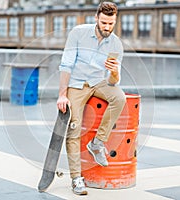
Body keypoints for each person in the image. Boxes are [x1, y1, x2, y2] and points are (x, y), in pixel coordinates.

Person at [56, 1, 126, 195]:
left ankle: (97, 143)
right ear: (96, 18)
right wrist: (62, 94)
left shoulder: (116, 44)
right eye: (103, 22)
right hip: (76, 84)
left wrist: (114, 73)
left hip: (98, 82)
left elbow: (113, 82)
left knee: (119, 98)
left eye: (111, 23)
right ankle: (76, 178)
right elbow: (66, 65)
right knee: (74, 127)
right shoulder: (78, 33)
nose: (107, 27)